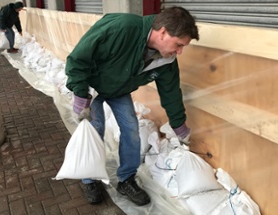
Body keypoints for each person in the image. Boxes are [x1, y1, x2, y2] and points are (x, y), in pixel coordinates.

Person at [65, 6, 199, 206]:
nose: (179, 51)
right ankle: (89, 179)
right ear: (162, 32)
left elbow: (170, 92)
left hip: (118, 91)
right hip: (91, 87)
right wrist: (80, 95)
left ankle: (126, 179)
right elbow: (79, 58)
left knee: (131, 130)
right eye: (179, 44)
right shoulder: (122, 28)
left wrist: (179, 126)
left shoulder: (166, 59)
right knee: (95, 129)